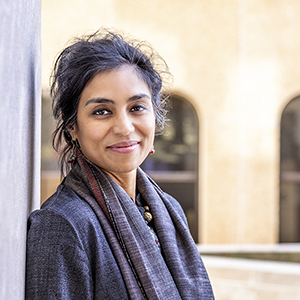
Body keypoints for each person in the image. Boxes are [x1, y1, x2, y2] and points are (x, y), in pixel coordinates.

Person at [25, 29, 214, 300]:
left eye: (137, 107)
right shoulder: (62, 225)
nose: (125, 128)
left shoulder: (168, 211)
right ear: (73, 126)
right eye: (102, 111)